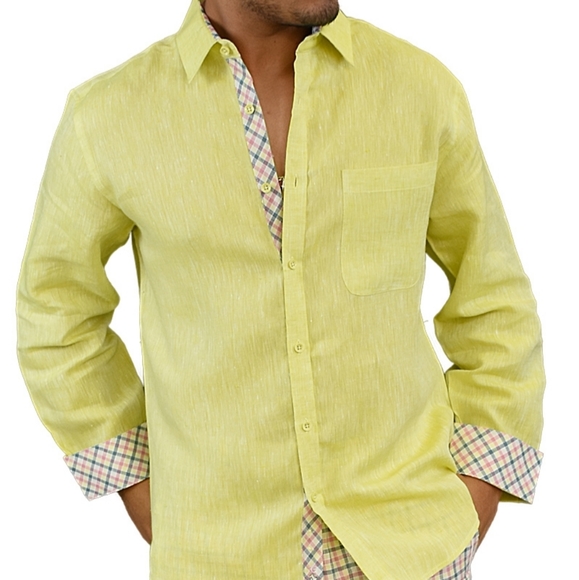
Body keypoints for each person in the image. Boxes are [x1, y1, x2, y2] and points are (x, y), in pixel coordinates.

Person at [16, 0, 545, 578]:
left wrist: (478, 492)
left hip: (411, 546)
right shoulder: (107, 115)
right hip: (222, 556)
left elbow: (493, 298)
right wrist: (143, 490)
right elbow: (55, 313)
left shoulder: (420, 89)